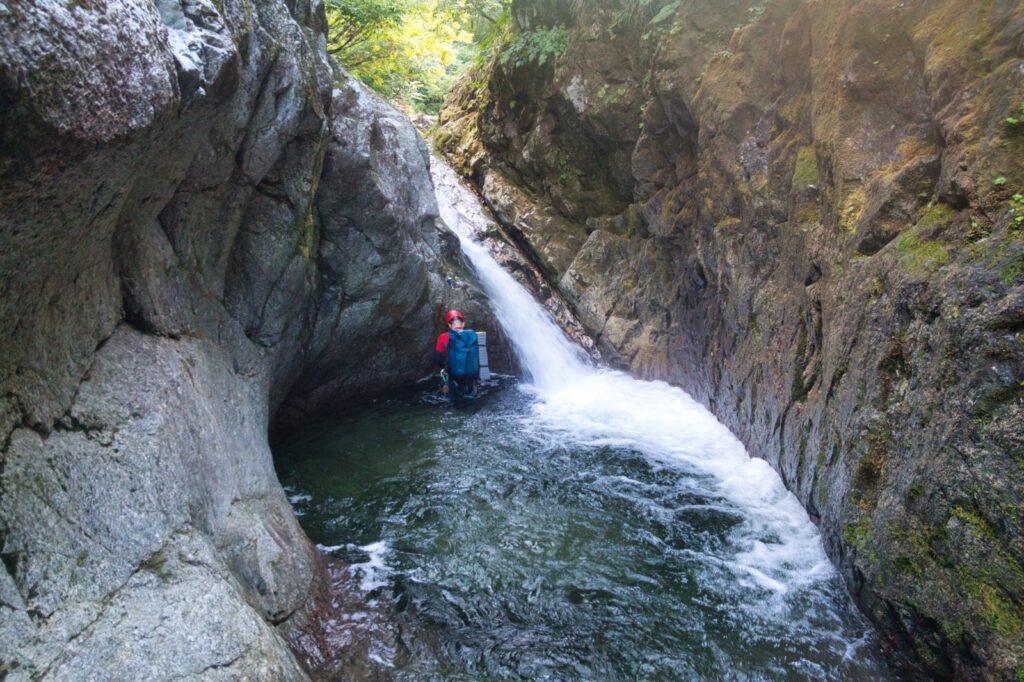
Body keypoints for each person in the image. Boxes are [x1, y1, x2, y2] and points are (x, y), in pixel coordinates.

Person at [434, 309, 479, 403]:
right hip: (471, 374)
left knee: (451, 400)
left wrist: (445, 367)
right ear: (463, 323)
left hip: (453, 375)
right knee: (470, 399)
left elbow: (438, 359)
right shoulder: (472, 335)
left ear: (449, 325)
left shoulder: (443, 337)